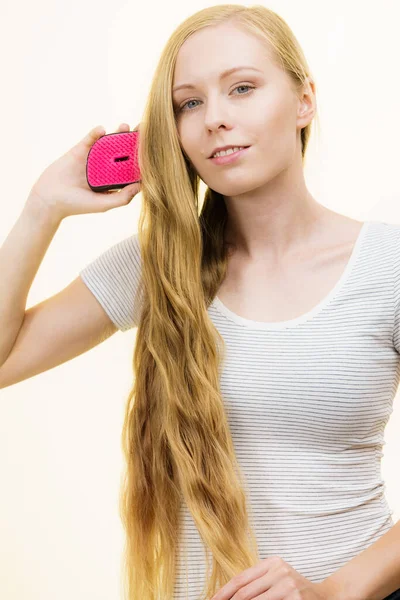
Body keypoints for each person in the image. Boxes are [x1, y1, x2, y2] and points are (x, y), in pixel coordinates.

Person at [1, 4, 400, 600]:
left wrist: (332, 592)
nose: (215, 119)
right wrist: (41, 208)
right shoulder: (155, 267)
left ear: (303, 101)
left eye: (242, 88)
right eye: (189, 102)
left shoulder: (387, 266)